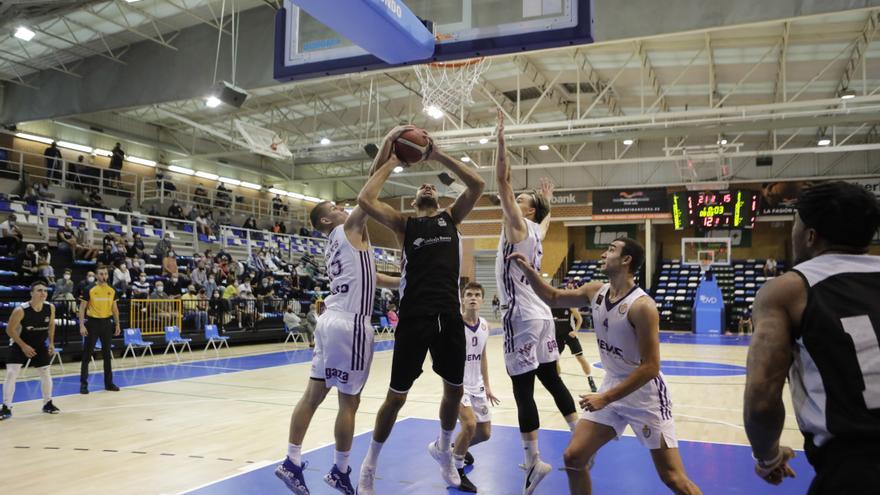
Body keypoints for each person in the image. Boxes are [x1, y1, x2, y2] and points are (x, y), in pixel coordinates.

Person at [509, 238, 702, 495]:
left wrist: (605, 398)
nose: (603, 253)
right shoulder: (595, 291)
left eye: (611, 250)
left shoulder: (642, 306)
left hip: (645, 395)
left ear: (626, 260)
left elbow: (651, 367)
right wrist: (528, 271)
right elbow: (553, 297)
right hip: (612, 383)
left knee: (673, 477)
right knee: (574, 457)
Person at [355, 125, 484, 493]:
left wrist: (438, 154)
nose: (426, 187)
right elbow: (365, 199)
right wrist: (393, 159)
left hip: (448, 316)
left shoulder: (451, 218)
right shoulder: (404, 224)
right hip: (413, 317)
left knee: (454, 391)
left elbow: (477, 185)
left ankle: (444, 450)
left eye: (431, 187)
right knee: (396, 397)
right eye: (420, 188)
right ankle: (369, 466)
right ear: (413, 202)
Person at [743, 181, 880, 494]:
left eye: (795, 223)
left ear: (810, 234)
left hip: (857, 465)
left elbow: (762, 401)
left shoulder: (789, 290)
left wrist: (768, 457)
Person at [275, 199, 399, 495]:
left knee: (313, 395)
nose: (342, 207)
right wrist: (390, 157)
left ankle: (292, 460)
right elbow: (368, 197)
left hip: (330, 321)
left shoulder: (339, 243)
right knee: (349, 402)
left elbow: (374, 277)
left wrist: (406, 281)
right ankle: (340, 470)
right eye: (334, 207)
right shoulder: (348, 229)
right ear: (326, 221)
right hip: (351, 325)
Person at [494, 110, 580, 494]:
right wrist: (548, 203)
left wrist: (501, 138)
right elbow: (546, 222)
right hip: (542, 315)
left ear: (524, 209)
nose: (515, 200)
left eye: (522, 199)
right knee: (550, 378)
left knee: (522, 391)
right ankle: (581, 439)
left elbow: (502, 179)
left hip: (522, 317)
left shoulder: (516, 224)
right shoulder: (535, 229)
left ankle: (533, 464)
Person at [452, 282, 500, 493]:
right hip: (458, 385)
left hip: (477, 385)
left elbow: (482, 356)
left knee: (485, 433)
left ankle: (456, 449)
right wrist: (452, 384)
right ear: (462, 299)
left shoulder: (484, 326)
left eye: (477, 294)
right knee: (469, 426)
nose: (472, 297)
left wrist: (487, 385)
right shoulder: (454, 324)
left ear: (482, 300)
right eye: (469, 294)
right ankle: (457, 471)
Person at [1, 281, 60, 420]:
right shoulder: (20, 310)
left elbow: (51, 325)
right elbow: (9, 330)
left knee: (45, 372)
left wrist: (51, 342)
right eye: (39, 290)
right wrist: (23, 346)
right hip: (19, 343)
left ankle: (48, 403)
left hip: (39, 344)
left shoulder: (50, 307)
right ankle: (6, 407)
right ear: (32, 293)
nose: (43, 293)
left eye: (45, 291)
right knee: (11, 373)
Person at [78, 267, 121, 394]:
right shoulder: (89, 289)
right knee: (87, 354)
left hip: (107, 323)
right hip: (93, 323)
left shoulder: (112, 290)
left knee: (107, 355)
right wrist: (82, 325)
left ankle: (109, 384)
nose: (104, 276)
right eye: (101, 274)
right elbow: (82, 308)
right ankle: (83, 385)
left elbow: (115, 309)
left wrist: (117, 324)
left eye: (106, 274)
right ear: (97, 276)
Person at [553, 306, 597, 390]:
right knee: (555, 360)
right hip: (557, 336)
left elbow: (580, 319)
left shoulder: (569, 306)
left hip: (570, 335)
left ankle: (590, 379)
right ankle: (559, 382)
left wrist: (575, 331)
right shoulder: (550, 306)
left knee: (580, 357)